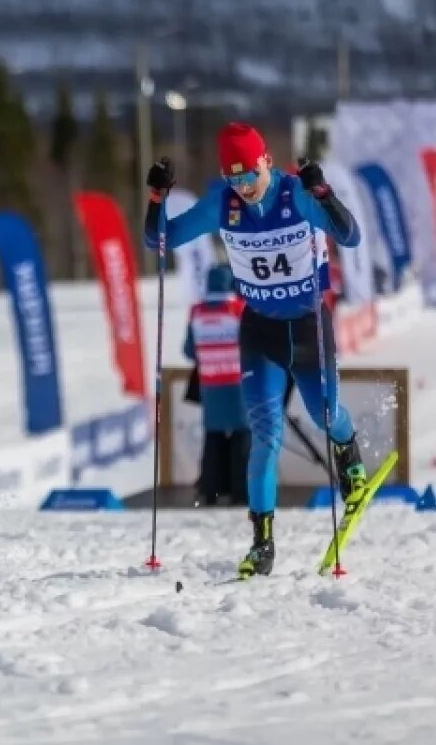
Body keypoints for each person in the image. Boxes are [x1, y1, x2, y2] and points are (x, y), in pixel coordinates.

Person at [145, 123, 368, 578]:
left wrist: (323, 194)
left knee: (326, 413)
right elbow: (159, 240)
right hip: (260, 333)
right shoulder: (224, 205)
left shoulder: (296, 194)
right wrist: (155, 200)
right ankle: (261, 544)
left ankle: (349, 456)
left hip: (308, 328)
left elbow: (350, 237)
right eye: (233, 178)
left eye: (249, 174)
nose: (243, 187)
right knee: (265, 438)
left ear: (266, 161)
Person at [182, 264, 250, 507]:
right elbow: (252, 344)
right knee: (242, 435)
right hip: (238, 383)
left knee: (214, 436)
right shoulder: (237, 309)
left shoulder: (197, 312)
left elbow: (188, 350)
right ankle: (241, 491)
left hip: (210, 383)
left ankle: (211, 490)